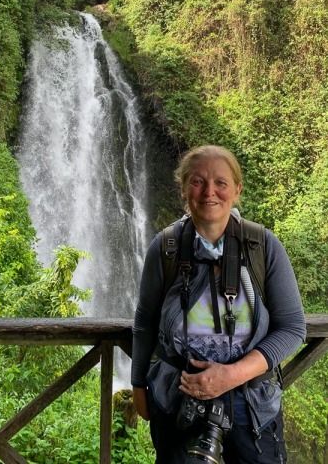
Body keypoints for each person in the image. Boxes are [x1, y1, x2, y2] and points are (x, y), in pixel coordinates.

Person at [131, 145, 306, 463]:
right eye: (197, 181)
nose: (209, 191)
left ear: (237, 190)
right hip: (177, 394)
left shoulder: (262, 246)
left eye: (221, 183)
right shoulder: (166, 247)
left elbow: (293, 327)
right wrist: (138, 386)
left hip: (249, 398)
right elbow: (144, 322)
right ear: (184, 189)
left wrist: (233, 374)